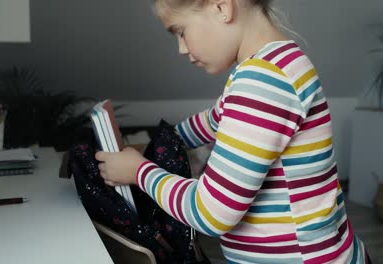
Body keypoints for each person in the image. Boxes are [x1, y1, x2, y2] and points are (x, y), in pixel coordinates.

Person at [95, 0, 371, 263]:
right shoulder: (277, 65)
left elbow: (211, 212)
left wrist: (139, 172)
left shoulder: (263, 81)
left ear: (221, 7)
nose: (180, 48)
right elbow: (211, 122)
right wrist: (155, 145)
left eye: (180, 31)